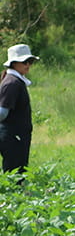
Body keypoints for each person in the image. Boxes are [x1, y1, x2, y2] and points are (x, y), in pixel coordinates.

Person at [0, 43, 39, 176]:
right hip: (13, 136)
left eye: (30, 61)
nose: (27, 65)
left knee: (18, 172)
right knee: (14, 175)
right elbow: (2, 113)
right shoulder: (12, 83)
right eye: (24, 61)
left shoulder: (15, 80)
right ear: (13, 63)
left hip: (16, 136)